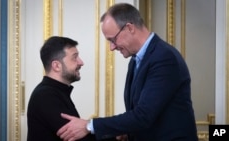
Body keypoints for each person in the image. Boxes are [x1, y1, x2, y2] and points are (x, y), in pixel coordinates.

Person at [56, 3, 198, 141]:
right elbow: (140, 112)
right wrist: (127, 131)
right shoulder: (135, 60)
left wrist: (89, 126)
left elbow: (143, 116)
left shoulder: (164, 57)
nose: (112, 47)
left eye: (113, 39)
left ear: (129, 28)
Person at [27, 36, 97, 141]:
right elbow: (78, 138)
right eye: (75, 57)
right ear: (56, 66)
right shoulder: (46, 96)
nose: (81, 62)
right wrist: (115, 135)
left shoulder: (54, 92)